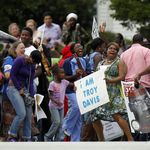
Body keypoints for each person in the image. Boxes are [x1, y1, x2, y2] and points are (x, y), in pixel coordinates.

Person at [90, 42, 134, 141]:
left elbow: (122, 76)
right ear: (107, 50)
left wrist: (110, 80)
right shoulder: (101, 63)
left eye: (115, 49)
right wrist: (79, 87)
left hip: (114, 92)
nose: (112, 50)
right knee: (94, 115)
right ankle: (102, 140)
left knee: (116, 115)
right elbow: (94, 77)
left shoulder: (119, 62)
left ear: (117, 52)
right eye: (110, 48)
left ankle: (130, 138)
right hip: (101, 93)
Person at [6, 50, 42, 142]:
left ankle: (27, 137)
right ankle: (11, 135)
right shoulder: (19, 60)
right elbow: (12, 75)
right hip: (13, 87)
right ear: (30, 56)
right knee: (22, 113)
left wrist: (32, 96)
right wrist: (19, 89)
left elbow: (30, 83)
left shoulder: (32, 67)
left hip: (24, 89)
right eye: (33, 61)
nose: (33, 63)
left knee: (28, 114)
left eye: (35, 63)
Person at [121, 34, 150, 141]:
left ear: (132, 42)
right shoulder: (146, 51)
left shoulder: (124, 54)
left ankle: (134, 141)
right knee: (145, 117)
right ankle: (142, 142)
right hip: (143, 86)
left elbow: (122, 73)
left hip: (128, 88)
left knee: (133, 116)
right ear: (142, 42)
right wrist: (140, 74)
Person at [62, 43, 91, 141]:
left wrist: (79, 61)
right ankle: (65, 128)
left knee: (78, 119)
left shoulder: (85, 60)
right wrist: (75, 76)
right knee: (76, 107)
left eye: (81, 46)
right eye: (77, 47)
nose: (80, 48)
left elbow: (86, 75)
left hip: (82, 91)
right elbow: (64, 77)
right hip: (70, 91)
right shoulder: (67, 62)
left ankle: (75, 141)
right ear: (73, 50)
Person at [44, 66, 74, 141]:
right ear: (56, 74)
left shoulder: (64, 82)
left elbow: (72, 84)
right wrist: (56, 102)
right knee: (56, 122)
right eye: (61, 73)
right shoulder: (52, 84)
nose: (63, 75)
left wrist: (76, 85)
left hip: (61, 107)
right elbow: (50, 96)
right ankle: (48, 136)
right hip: (53, 106)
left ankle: (57, 140)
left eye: (64, 73)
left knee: (60, 124)